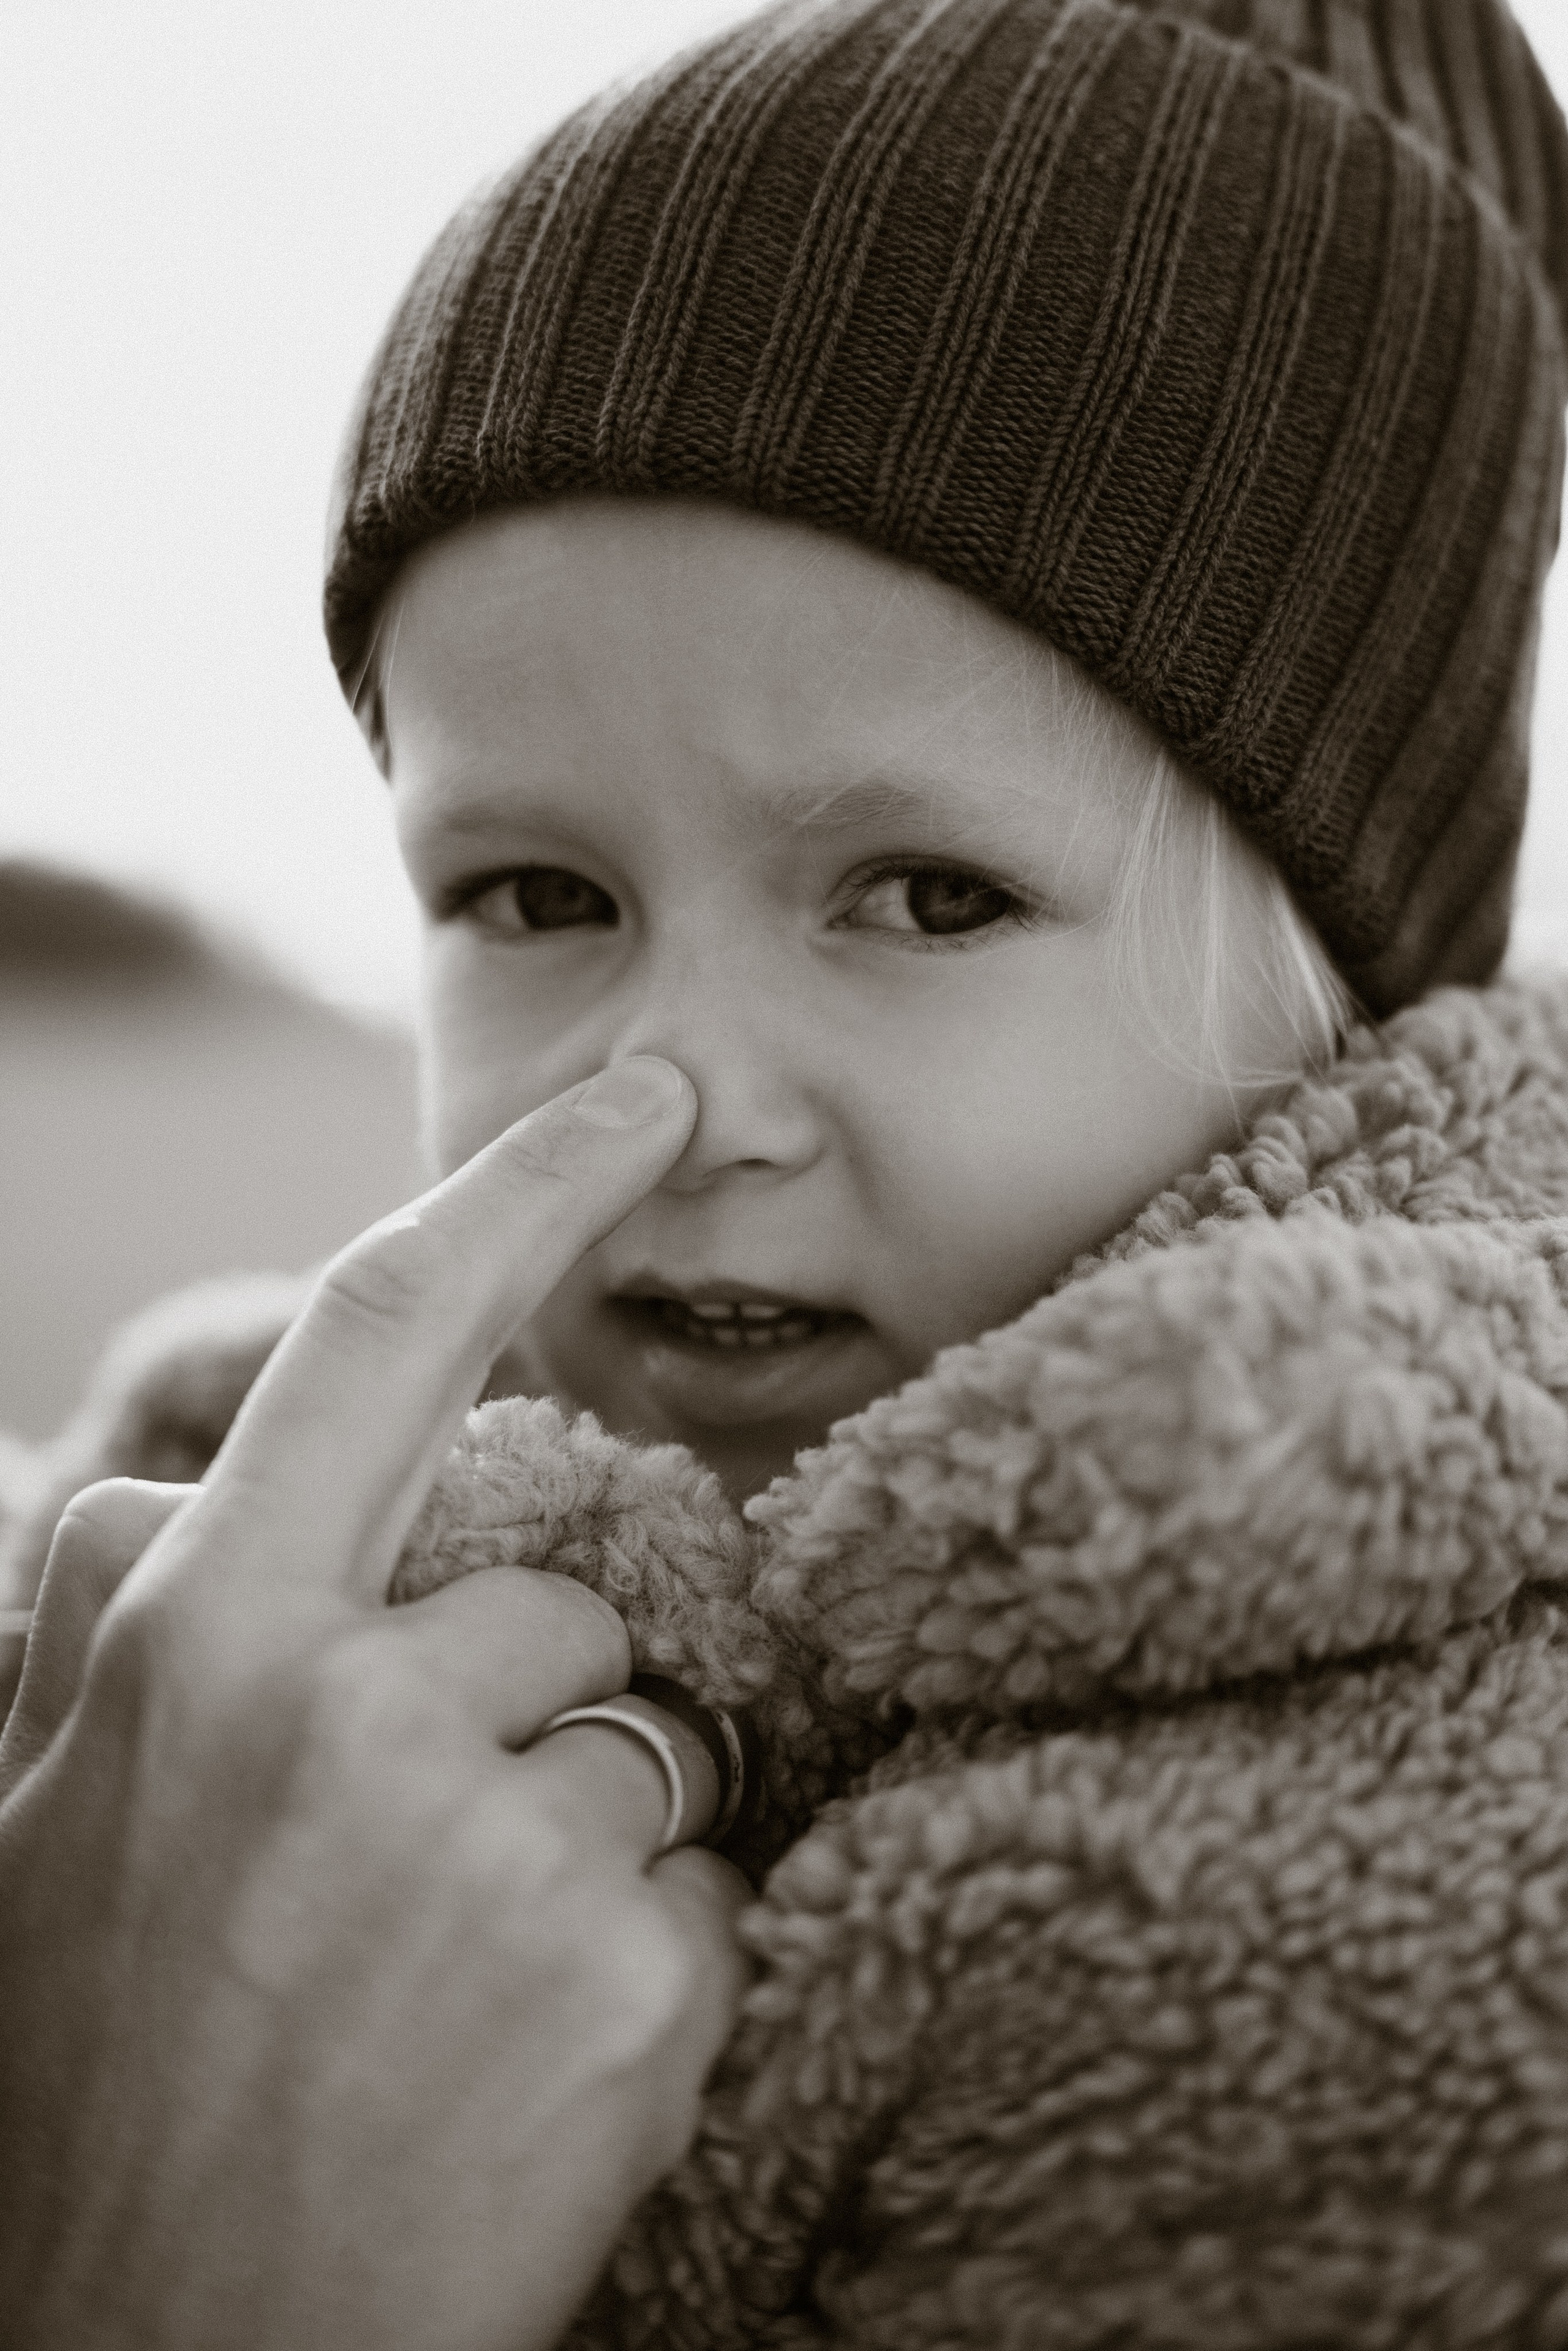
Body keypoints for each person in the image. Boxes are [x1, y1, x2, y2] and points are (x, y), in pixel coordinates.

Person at [6, 0, 1568, 2344]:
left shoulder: (1424, 1926)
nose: (678, 1092)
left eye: (926, 898)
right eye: (536, 894)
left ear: (1348, 1006)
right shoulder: (168, 1541)